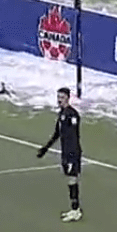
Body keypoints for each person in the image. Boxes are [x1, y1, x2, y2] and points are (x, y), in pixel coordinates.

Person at [36, 87, 83, 222]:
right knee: (70, 180)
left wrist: (72, 155)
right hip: (65, 152)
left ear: (68, 98)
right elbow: (57, 133)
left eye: (62, 97)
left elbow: (73, 136)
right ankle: (74, 209)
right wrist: (45, 148)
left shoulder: (72, 115)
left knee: (72, 179)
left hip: (72, 152)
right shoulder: (62, 114)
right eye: (58, 97)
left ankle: (76, 210)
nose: (59, 100)